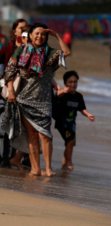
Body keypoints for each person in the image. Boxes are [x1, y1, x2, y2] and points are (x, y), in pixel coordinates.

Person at [2, 22, 71, 177]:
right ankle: (35, 168)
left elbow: (66, 52)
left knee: (46, 135)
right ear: (31, 35)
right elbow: (9, 72)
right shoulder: (21, 50)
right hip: (24, 99)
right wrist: (11, 90)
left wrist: (57, 36)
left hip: (44, 100)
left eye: (43, 34)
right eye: (37, 33)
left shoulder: (51, 53)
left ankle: (48, 168)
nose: (40, 36)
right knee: (32, 135)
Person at [0, 18, 28, 168]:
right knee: (9, 122)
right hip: (10, 89)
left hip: (26, 91)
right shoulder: (10, 46)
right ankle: (6, 157)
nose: (24, 30)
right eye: (21, 28)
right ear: (14, 31)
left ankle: (21, 157)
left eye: (26, 27)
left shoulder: (30, 47)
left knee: (24, 125)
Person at [54, 70, 95, 171]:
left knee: (70, 143)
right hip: (62, 122)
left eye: (75, 82)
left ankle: (65, 161)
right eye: (70, 82)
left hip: (71, 123)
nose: (73, 84)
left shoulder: (78, 96)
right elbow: (57, 94)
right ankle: (69, 162)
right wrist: (63, 91)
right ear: (65, 83)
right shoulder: (63, 93)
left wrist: (88, 114)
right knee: (70, 141)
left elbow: (82, 109)